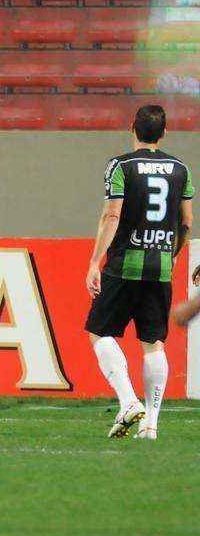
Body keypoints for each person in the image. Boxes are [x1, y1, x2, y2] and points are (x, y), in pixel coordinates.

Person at [85, 104, 193, 440]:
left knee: (99, 331)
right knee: (153, 343)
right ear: (164, 132)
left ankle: (129, 401)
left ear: (132, 128)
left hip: (124, 263)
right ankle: (151, 425)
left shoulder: (121, 166)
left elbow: (112, 216)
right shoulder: (180, 168)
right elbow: (186, 221)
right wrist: (171, 255)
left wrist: (94, 261)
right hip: (160, 266)